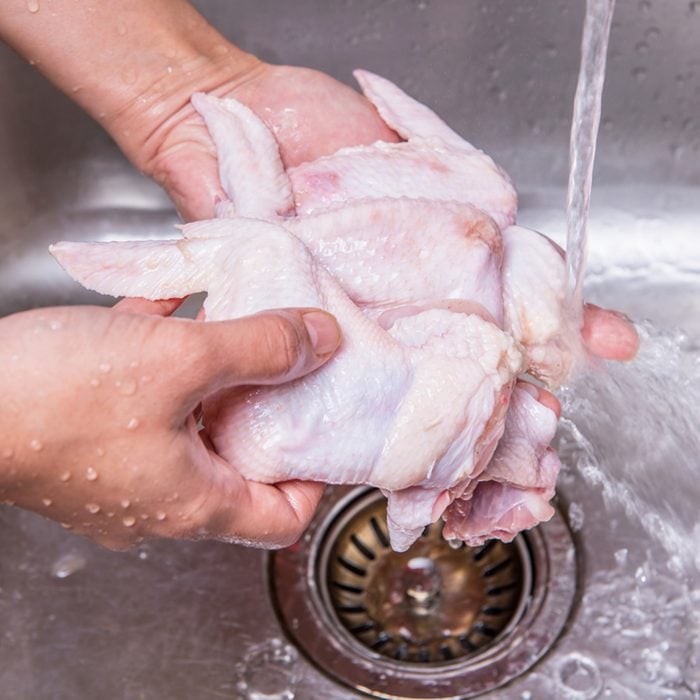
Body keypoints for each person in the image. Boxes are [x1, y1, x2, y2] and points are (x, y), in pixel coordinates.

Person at [0, 0, 638, 551]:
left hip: (385, 348)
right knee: (468, 223)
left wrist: (185, 95)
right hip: (375, 355)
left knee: (475, 222)